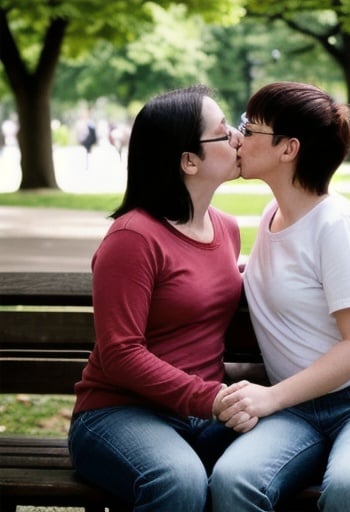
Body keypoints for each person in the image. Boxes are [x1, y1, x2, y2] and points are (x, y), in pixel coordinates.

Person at [210, 82, 350, 512]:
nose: (238, 137)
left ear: (287, 149)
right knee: (233, 480)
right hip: (300, 408)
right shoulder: (273, 215)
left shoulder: (338, 226)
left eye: (250, 128)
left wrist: (270, 397)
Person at [68, 85, 252, 512]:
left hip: (200, 416)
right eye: (224, 133)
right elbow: (119, 352)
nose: (238, 139)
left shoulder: (226, 229)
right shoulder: (133, 238)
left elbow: (209, 306)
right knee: (179, 480)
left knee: (292, 446)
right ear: (189, 160)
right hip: (118, 414)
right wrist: (208, 398)